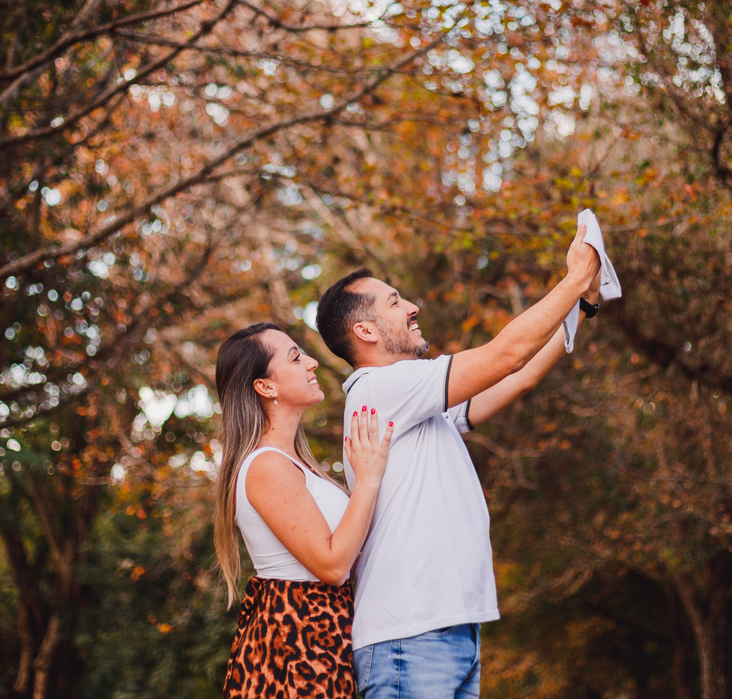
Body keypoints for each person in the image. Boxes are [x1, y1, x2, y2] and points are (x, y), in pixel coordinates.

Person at [315, 220, 603, 698]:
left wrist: (584, 305)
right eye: (394, 302)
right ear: (364, 330)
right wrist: (573, 279)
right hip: (410, 636)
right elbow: (506, 354)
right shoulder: (381, 388)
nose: (412, 307)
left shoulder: (413, 402)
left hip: (446, 632)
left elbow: (519, 377)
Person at [213, 321, 394, 698]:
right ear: (266, 387)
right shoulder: (267, 466)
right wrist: (369, 478)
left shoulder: (294, 463)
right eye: (296, 357)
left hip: (320, 644)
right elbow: (331, 565)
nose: (311, 362)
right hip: (294, 652)